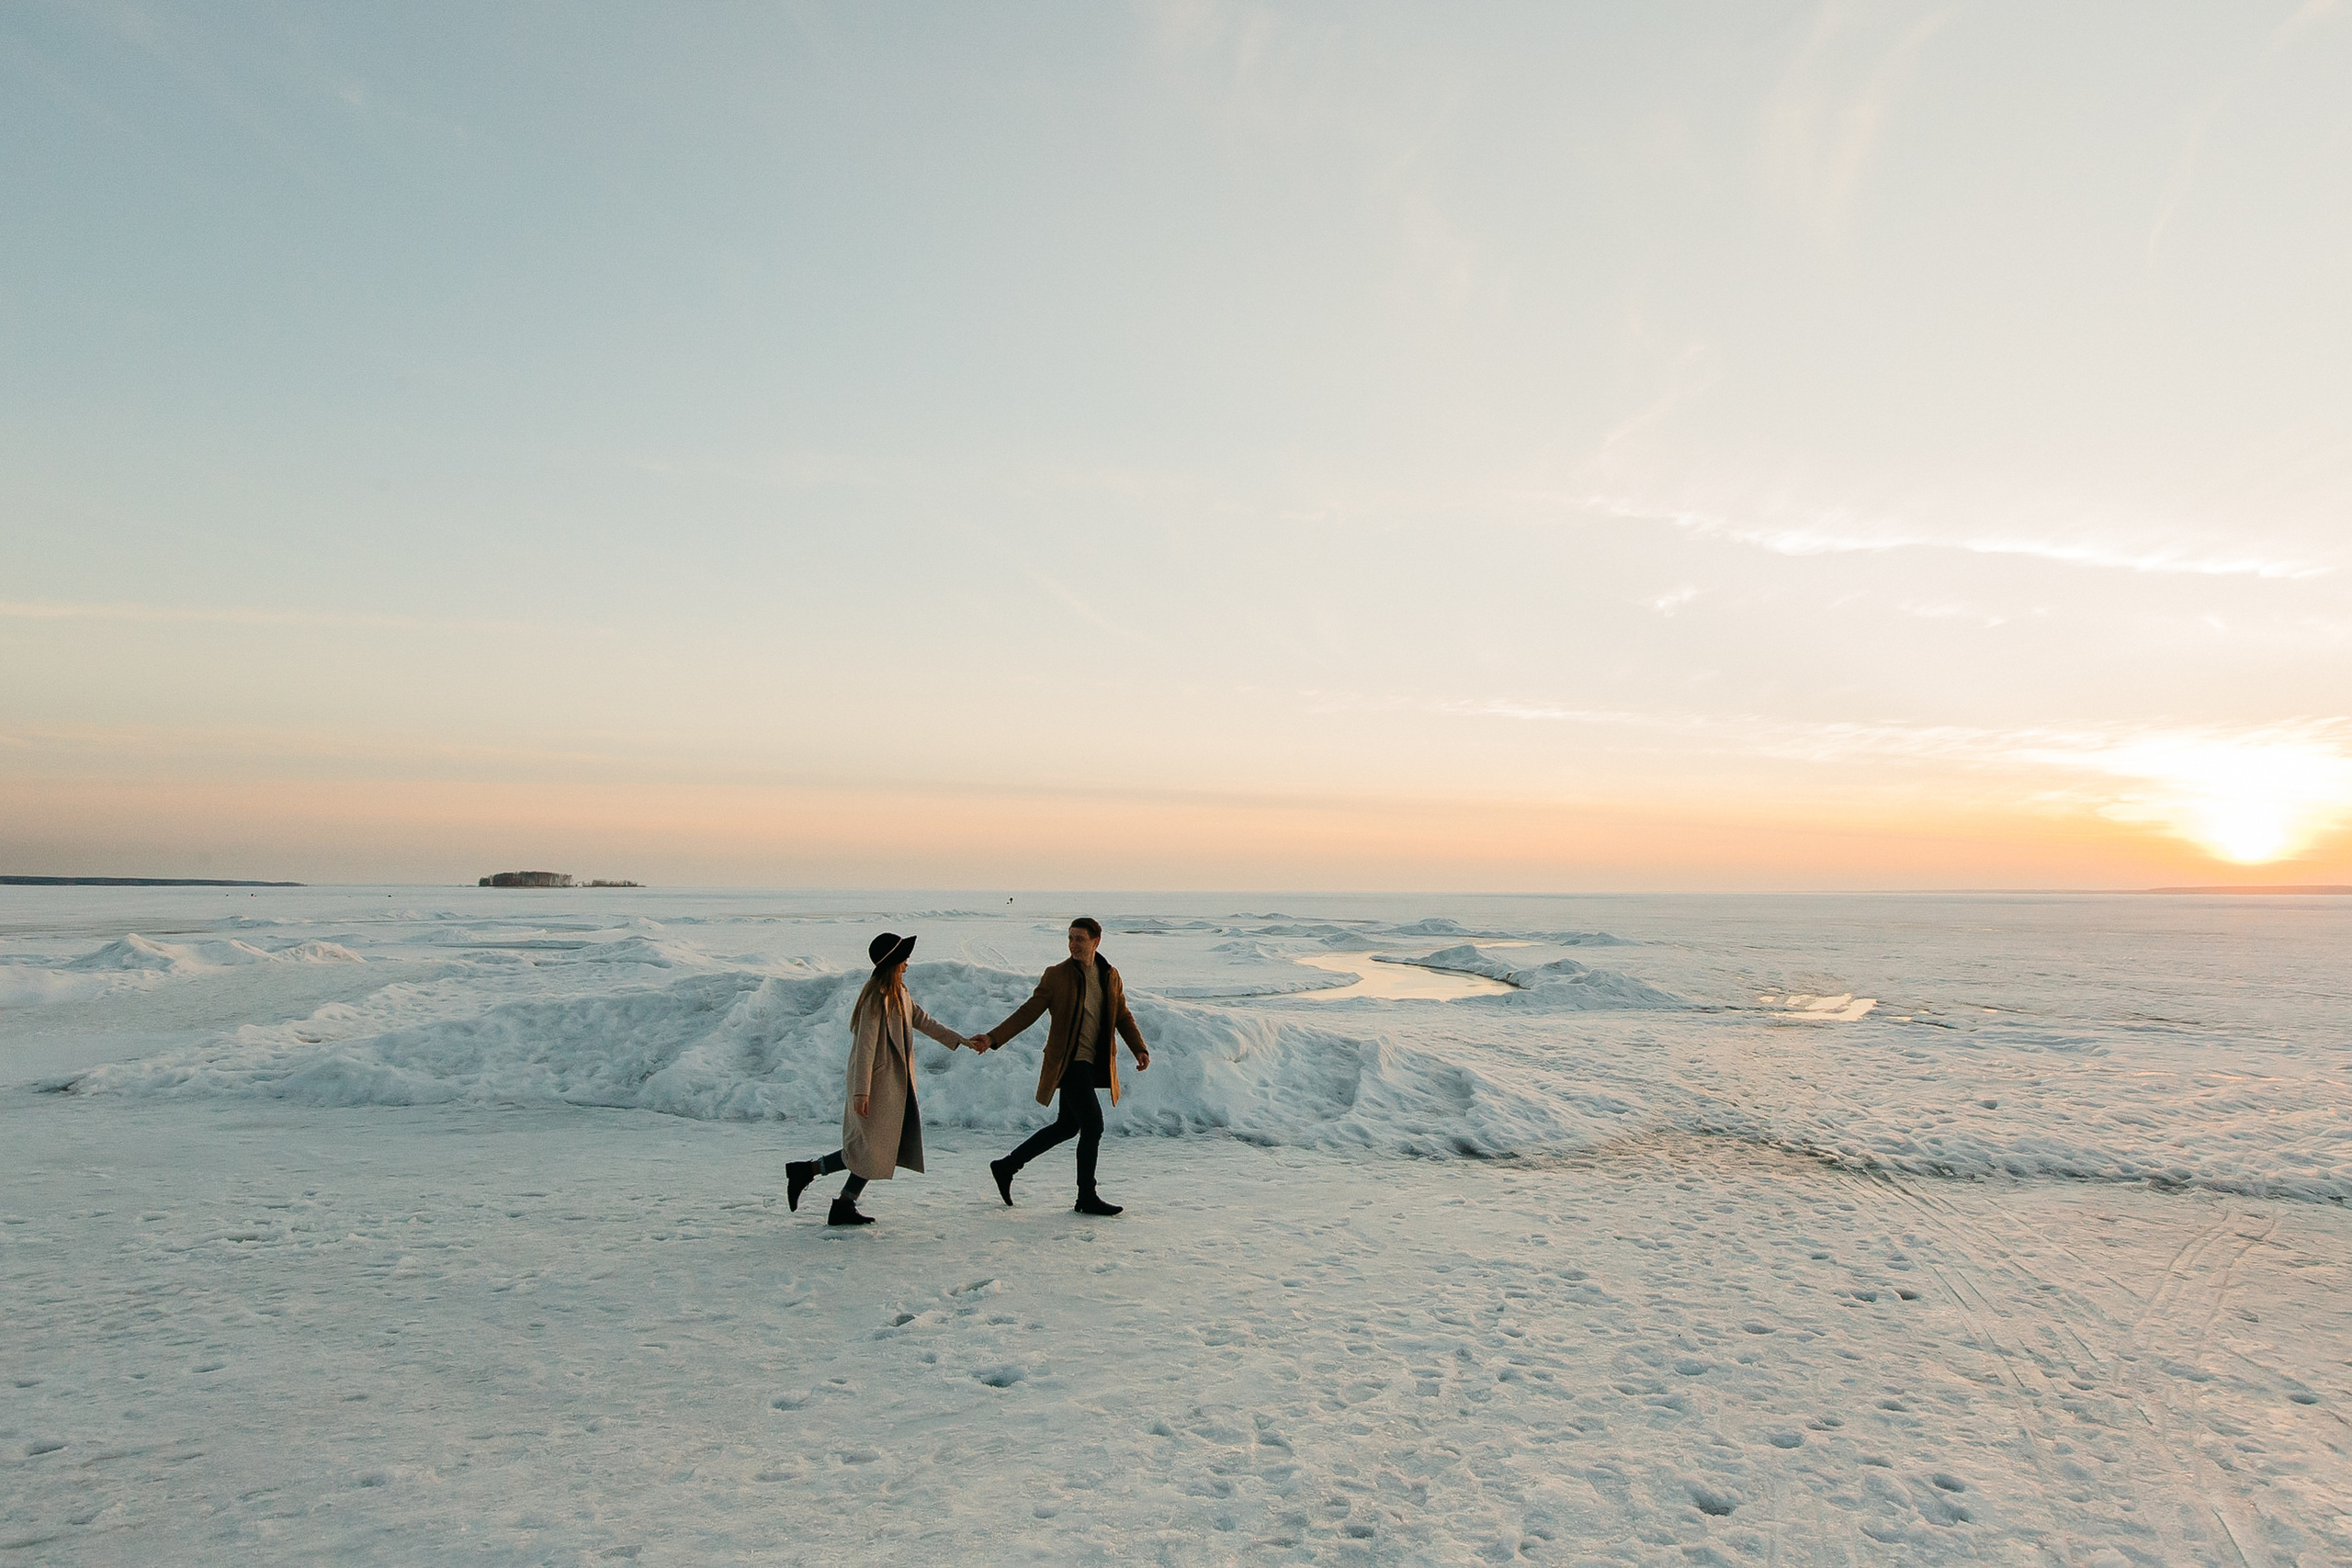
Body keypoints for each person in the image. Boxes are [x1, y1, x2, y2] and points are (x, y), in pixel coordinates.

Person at [786, 931, 987, 1226]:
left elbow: (923, 1020)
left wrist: (963, 1040)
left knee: (874, 1148)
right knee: (870, 1149)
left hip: (893, 1085)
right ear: (893, 963)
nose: (907, 964)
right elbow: (865, 1047)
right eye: (904, 959)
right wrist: (860, 1092)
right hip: (877, 1086)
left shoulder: (900, 993)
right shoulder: (875, 998)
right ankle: (817, 1180)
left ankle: (834, 1195)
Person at [974, 917, 1150, 1215]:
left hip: (1090, 1063)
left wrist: (1139, 1048)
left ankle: (1006, 1166)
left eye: (1079, 939)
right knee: (1093, 1124)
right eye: (1070, 938)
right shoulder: (1057, 975)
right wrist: (993, 1037)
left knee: (1067, 1126)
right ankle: (1086, 1196)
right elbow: (1028, 1012)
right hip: (1068, 1062)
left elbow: (1122, 1014)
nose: (1073, 945)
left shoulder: (1110, 975)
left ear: (1096, 941)